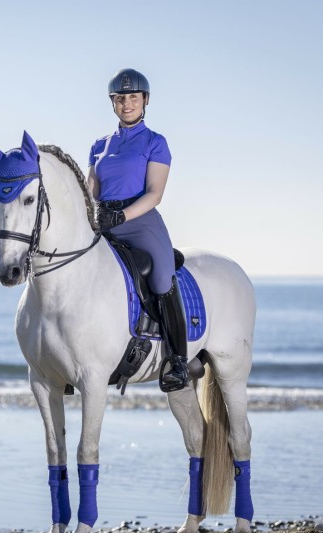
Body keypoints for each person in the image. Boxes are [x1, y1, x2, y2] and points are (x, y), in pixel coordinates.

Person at [87, 68, 188, 392]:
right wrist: (91, 216)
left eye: (133, 97)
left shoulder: (155, 142)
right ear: (112, 103)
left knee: (161, 279)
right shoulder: (99, 145)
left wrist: (122, 216)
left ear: (144, 100)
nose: (126, 103)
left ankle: (178, 361)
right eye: (120, 98)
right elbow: (91, 189)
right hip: (103, 222)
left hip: (140, 221)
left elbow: (155, 193)